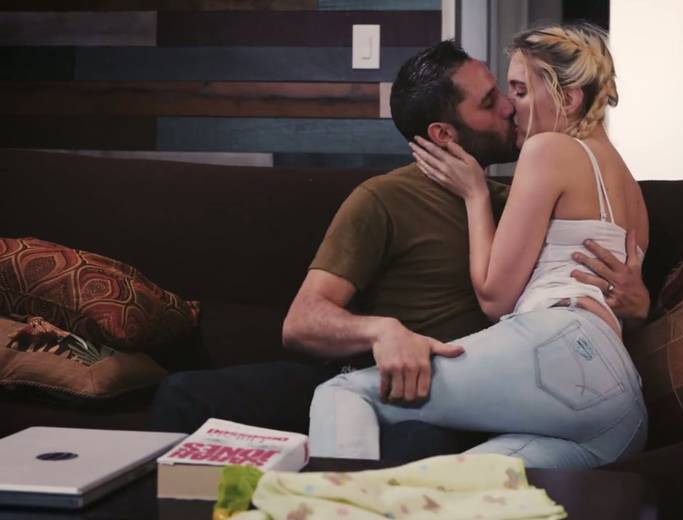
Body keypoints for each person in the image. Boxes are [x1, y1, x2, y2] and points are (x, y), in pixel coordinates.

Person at [150, 35, 651, 462]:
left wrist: (637, 301)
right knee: (181, 393)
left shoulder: (523, 198)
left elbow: (552, 294)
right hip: (387, 374)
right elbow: (301, 322)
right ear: (443, 134)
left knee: (417, 440)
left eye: (513, 91)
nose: (508, 106)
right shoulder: (384, 199)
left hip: (476, 391)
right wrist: (382, 330)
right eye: (491, 100)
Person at [307, 23, 649, 469]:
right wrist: (641, 307)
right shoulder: (631, 186)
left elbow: (494, 296)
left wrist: (475, 195)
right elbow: (622, 302)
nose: (511, 106)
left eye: (520, 91)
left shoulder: (548, 150)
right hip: (620, 408)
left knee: (343, 392)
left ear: (567, 100)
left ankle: (329, 504)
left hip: (563, 351)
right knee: (452, 488)